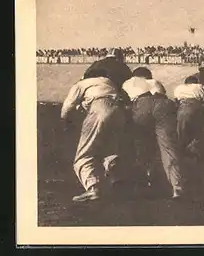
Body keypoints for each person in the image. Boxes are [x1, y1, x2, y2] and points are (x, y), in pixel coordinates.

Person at [60, 69, 128, 202]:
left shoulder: (82, 83)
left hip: (100, 109)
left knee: (84, 155)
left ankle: (93, 189)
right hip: (119, 112)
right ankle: (116, 179)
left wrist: (64, 121)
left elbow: (68, 106)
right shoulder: (109, 82)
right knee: (110, 149)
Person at [122, 68, 184, 199]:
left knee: (141, 145)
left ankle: (145, 178)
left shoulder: (130, 82)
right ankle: (177, 187)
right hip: (163, 105)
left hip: (141, 105)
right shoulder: (156, 82)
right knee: (168, 148)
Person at [173, 75, 204, 160]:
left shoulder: (178, 88)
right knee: (198, 132)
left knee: (181, 133)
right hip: (197, 107)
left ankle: (182, 153)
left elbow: (176, 102)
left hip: (183, 109)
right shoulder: (199, 86)